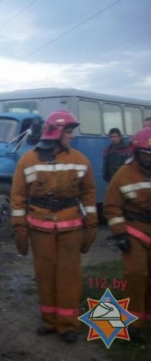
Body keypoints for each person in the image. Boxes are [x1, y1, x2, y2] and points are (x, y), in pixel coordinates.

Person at [10, 110, 98, 343]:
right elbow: (18, 197)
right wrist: (19, 228)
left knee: (69, 275)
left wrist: (91, 224)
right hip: (40, 229)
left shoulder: (80, 160)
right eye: (69, 132)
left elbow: (89, 193)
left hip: (71, 228)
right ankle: (49, 321)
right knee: (45, 275)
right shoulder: (28, 160)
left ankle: (68, 325)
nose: (72, 137)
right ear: (56, 132)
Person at [103, 127, 151, 340]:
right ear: (136, 152)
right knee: (136, 274)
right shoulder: (124, 174)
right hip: (134, 231)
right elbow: (112, 207)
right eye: (145, 154)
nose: (148, 159)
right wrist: (120, 233)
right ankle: (134, 320)